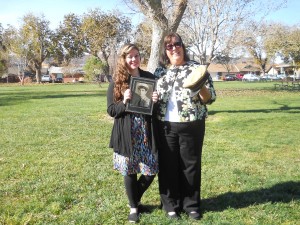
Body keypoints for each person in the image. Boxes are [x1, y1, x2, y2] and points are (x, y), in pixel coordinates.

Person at [153, 32, 216, 220]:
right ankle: (171, 205)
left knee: (191, 166)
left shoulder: (197, 68)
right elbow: (151, 97)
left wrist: (198, 85)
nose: (174, 48)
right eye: (169, 46)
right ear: (165, 51)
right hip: (165, 126)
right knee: (168, 166)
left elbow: (210, 98)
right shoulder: (160, 72)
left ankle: (191, 205)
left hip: (192, 125)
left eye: (177, 44)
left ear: (183, 46)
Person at [106, 44, 159, 223]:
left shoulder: (149, 78)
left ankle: (134, 198)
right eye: (130, 56)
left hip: (146, 131)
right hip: (126, 132)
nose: (134, 59)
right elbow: (112, 110)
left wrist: (155, 101)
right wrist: (125, 101)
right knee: (130, 170)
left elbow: (155, 109)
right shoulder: (117, 81)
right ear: (124, 58)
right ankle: (134, 208)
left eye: (136, 55)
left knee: (151, 170)